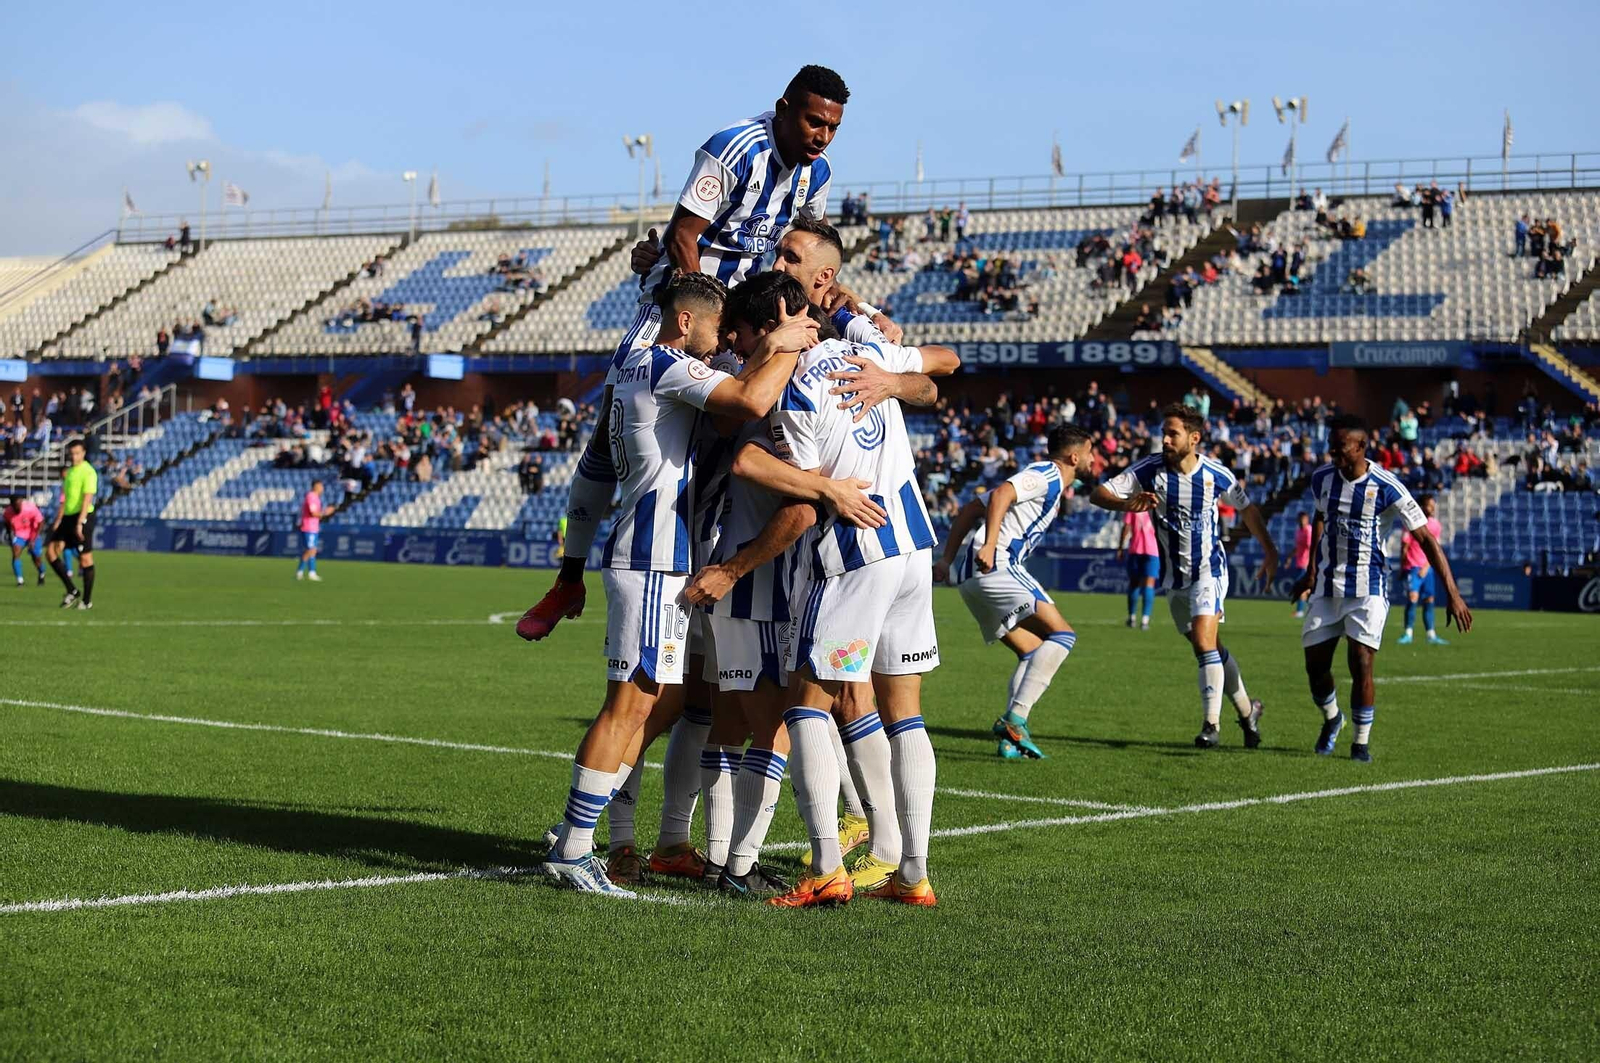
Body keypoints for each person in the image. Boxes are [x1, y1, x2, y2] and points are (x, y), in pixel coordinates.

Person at [517, 65, 849, 642]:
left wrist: (830, 302)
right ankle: (569, 575)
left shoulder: (815, 176)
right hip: (680, 319)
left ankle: (724, 582)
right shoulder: (734, 147)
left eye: (832, 127)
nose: (821, 135)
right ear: (784, 107)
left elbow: (797, 250)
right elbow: (682, 235)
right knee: (613, 436)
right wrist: (704, 315)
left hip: (742, 326)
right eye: (813, 121)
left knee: (728, 446)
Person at [537, 273, 816, 898]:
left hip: (657, 559)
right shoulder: (661, 363)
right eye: (716, 332)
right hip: (653, 559)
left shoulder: (638, 366)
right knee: (629, 704)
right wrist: (787, 343)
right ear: (685, 323)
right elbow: (748, 401)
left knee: (641, 702)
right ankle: (577, 847)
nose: (720, 345)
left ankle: (572, 837)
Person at [714, 273, 947, 909]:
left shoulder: (794, 389)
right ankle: (913, 873)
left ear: (774, 324)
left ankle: (826, 866)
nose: (741, 351)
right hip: (913, 551)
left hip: (854, 557)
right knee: (905, 712)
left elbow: (811, 500)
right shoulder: (863, 353)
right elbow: (933, 376)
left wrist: (734, 564)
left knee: (807, 703)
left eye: (744, 336)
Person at [1090, 404, 1278, 749]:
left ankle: (1211, 725)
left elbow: (1247, 508)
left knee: (1206, 643)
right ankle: (1248, 711)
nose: (1164, 439)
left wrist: (1270, 551)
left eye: (1172, 433)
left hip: (1208, 568)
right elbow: (1099, 493)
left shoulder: (1215, 474)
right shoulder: (1149, 470)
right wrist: (1128, 504)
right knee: (1209, 649)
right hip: (1174, 579)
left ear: (1194, 438)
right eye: (1163, 432)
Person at [1292, 420, 1471, 761]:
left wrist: (1453, 592)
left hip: (1368, 587)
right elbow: (1319, 516)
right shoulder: (1322, 478)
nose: (1332, 453)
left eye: (1339, 447)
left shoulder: (1388, 487)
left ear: (1360, 448)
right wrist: (1311, 569)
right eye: (1331, 445)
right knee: (1315, 667)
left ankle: (1360, 743)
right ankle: (1332, 720)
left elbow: (1426, 539)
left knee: (1361, 661)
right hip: (1328, 586)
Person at [933, 426, 1094, 759]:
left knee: (1033, 650)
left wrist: (947, 559)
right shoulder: (1047, 474)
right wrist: (991, 543)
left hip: (970, 576)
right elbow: (1004, 493)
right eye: (1091, 452)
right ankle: (1015, 720)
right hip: (997, 564)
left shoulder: (1049, 482)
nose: (1094, 459)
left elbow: (968, 510)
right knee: (1063, 636)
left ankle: (1010, 742)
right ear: (1074, 456)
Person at [45, 439, 97, 610]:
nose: (74, 457)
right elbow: (66, 500)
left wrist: (80, 522)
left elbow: (87, 498)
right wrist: (59, 520)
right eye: (71, 453)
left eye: (77, 453)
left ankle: (87, 601)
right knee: (51, 552)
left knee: (85, 558)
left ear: (83, 453)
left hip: (82, 517)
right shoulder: (70, 473)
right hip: (67, 517)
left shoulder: (88, 472)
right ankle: (72, 590)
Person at [1398, 494, 1449, 645]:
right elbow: (1405, 546)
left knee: (1429, 599)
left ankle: (1431, 634)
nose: (1432, 508)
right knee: (1412, 597)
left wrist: (1427, 566)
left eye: (1433, 504)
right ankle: (1408, 633)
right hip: (1412, 567)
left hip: (1427, 569)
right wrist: (1403, 567)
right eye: (1429, 505)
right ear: (1421, 506)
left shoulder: (1435, 525)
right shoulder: (1410, 523)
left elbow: (1435, 549)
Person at [1118, 506, 1160, 630]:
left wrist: (1120, 547)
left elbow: (1126, 526)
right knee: (1149, 584)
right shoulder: (1158, 509)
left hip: (1136, 549)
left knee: (1134, 583)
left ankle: (1132, 618)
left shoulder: (1134, 508)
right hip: (1153, 550)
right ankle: (1145, 620)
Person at [4, 493, 48, 586]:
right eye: (17, 505)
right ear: (12, 505)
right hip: (19, 534)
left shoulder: (30, 508)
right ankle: (20, 580)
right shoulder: (8, 512)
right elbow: (7, 522)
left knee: (36, 557)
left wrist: (34, 539)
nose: (19, 506)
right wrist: (10, 536)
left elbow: (41, 521)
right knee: (15, 554)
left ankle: (41, 573)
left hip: (33, 533)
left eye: (20, 504)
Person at [295, 479, 325, 582]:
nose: (322, 488)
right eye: (321, 486)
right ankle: (300, 571)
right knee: (310, 550)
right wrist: (324, 513)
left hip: (314, 527)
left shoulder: (316, 497)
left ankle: (311, 572)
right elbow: (313, 513)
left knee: (312, 550)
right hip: (308, 527)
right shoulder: (311, 496)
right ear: (316, 486)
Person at [1290, 511, 1314, 618]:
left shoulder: (1309, 530)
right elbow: (1297, 547)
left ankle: (1300, 611)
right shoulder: (1298, 531)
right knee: (1306, 588)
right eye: (1301, 519)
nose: (1302, 521)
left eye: (1304, 519)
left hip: (1306, 563)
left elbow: (1311, 546)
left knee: (1302, 587)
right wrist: (1289, 558)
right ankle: (1308, 608)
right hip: (1299, 562)